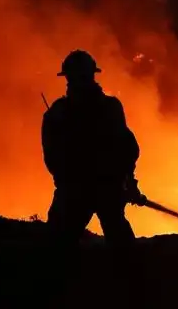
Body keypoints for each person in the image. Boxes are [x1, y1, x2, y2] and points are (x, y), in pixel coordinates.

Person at [42, 50, 146, 251]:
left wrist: (127, 182)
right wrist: (125, 182)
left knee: (57, 246)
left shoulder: (58, 112)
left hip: (80, 191)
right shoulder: (109, 108)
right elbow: (128, 149)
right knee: (120, 244)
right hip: (96, 189)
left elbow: (126, 149)